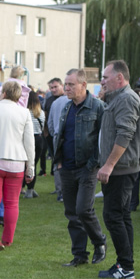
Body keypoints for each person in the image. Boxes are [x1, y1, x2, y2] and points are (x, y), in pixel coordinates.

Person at [96, 60, 140, 279]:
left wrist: (109, 165)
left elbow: (125, 134)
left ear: (119, 78)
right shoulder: (119, 98)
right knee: (122, 216)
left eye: (105, 77)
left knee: (113, 216)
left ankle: (126, 267)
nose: (102, 81)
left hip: (121, 169)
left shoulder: (126, 99)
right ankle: (125, 264)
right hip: (123, 167)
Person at [54, 68, 106, 267]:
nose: (67, 88)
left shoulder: (98, 107)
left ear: (83, 85)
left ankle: (99, 242)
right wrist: (58, 161)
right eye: (66, 84)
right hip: (67, 168)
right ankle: (79, 255)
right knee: (72, 213)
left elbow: (103, 139)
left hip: (87, 167)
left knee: (83, 209)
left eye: (71, 84)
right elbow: (60, 135)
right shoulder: (67, 107)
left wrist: (93, 163)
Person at [0, 80, 35, 250]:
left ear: (3, 93)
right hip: (17, 164)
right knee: (12, 203)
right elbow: (29, 143)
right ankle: (8, 239)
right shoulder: (24, 113)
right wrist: (30, 168)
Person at [23, 91, 45, 198]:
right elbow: (43, 126)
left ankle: (23, 187)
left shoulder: (24, 112)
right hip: (39, 139)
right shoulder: (41, 113)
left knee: (25, 165)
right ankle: (30, 189)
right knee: (33, 165)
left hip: (27, 139)